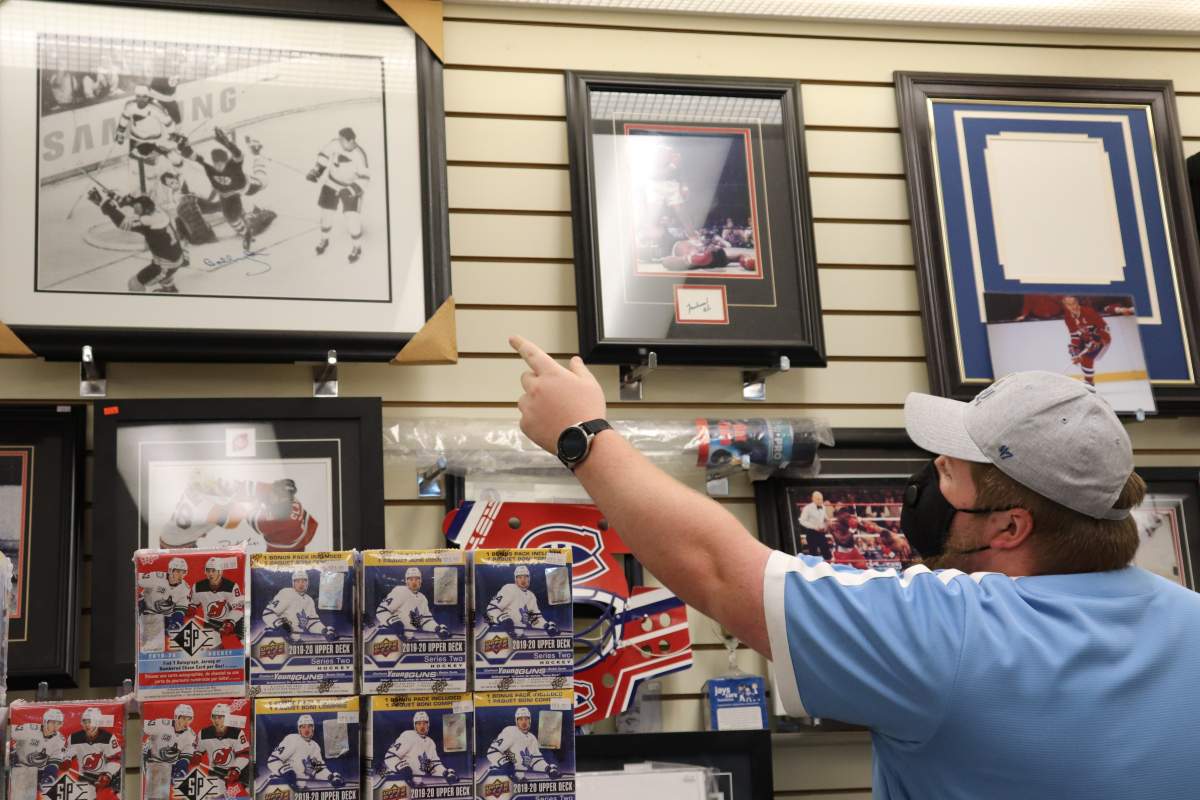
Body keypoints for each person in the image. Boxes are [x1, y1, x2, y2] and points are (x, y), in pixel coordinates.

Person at [508, 334, 1200, 798]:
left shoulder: (953, 632)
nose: (929, 485)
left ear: (1011, 526)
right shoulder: (1190, 621)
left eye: (951, 476)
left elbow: (716, 568)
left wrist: (582, 436)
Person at [307, 127, 370, 263]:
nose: (339, 141)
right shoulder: (335, 143)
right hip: (332, 182)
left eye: (342, 139)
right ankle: (324, 239)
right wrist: (316, 171)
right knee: (326, 214)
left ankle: (357, 247)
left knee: (351, 218)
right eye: (339, 138)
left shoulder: (360, 155)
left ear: (351, 140)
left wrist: (350, 190)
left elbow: (365, 178)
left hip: (350, 188)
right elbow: (324, 156)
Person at [267, 715, 344, 789]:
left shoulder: (315, 746)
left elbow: (317, 769)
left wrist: (330, 777)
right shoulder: (292, 739)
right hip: (278, 784)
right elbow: (272, 760)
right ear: (299, 729)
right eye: (303, 727)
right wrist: (286, 771)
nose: (306, 730)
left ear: (313, 728)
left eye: (309, 726)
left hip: (298, 788)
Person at [383, 711, 459, 785]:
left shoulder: (430, 742)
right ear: (414, 725)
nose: (422, 726)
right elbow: (389, 757)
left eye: (424, 723)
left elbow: (433, 765)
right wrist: (403, 768)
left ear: (428, 725)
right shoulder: (408, 736)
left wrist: (445, 773)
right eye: (418, 723)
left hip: (415, 782)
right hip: (395, 780)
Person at [484, 708, 560, 780]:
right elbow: (492, 751)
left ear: (530, 720)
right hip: (498, 774)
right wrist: (505, 763)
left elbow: (535, 760)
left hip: (517, 777)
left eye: (526, 719)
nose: (524, 722)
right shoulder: (510, 731)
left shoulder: (532, 738)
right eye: (520, 719)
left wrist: (548, 769)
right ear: (516, 721)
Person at [262, 570, 338, 641]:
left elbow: (312, 622)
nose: (301, 584)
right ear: (293, 583)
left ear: (307, 583)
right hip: (274, 636)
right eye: (297, 581)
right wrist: (280, 624)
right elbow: (268, 613)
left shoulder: (309, 600)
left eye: (304, 581)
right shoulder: (286, 593)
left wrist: (324, 630)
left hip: (294, 640)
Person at [375, 567, 449, 640]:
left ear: (421, 581)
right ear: (406, 581)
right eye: (411, 579)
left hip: (406, 638)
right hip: (387, 635)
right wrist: (394, 622)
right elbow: (381, 610)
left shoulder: (422, 598)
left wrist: (437, 629)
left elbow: (425, 621)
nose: (414, 582)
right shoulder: (400, 591)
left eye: (417, 579)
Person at [484, 565, 559, 637]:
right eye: (519, 577)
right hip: (500, 634)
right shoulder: (509, 589)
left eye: (526, 577)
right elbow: (491, 608)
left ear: (529, 578)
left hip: (518, 636)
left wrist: (546, 626)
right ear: (515, 579)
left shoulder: (531, 596)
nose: (523, 580)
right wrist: (503, 619)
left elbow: (534, 619)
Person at [9, 708, 67, 790]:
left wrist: (48, 778)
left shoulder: (60, 740)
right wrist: (10, 751)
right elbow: (7, 732)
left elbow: (54, 763)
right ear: (45, 721)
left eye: (59, 723)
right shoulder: (28, 729)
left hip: (40, 772)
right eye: (53, 722)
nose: (56, 726)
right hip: (20, 766)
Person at [1061, 295, 1111, 386]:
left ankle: (1089, 383)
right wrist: (1075, 352)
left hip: (1102, 338)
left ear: (1077, 302)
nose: (1072, 307)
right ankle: (1088, 381)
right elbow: (1074, 335)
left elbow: (1104, 327)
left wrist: (1098, 339)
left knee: (1086, 358)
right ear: (1065, 306)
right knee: (1077, 354)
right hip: (1086, 339)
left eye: (1074, 303)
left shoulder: (1088, 312)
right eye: (1069, 305)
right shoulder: (1068, 317)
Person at [198, 704, 250, 792]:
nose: (216, 720)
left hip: (238, 772)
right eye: (214, 717)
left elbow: (244, 754)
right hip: (216, 771)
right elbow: (197, 751)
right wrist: (195, 756)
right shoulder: (203, 733)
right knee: (216, 794)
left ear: (228, 718)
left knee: (245, 793)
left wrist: (235, 770)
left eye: (220, 717)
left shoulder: (237, 733)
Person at [797, 490, 831, 559]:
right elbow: (802, 521)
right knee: (813, 554)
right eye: (818, 499)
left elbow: (825, 517)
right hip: (811, 533)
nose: (820, 501)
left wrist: (827, 522)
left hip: (821, 533)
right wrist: (814, 527)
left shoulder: (823, 507)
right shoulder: (807, 508)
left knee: (826, 552)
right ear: (813, 499)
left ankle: (828, 567)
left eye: (821, 499)